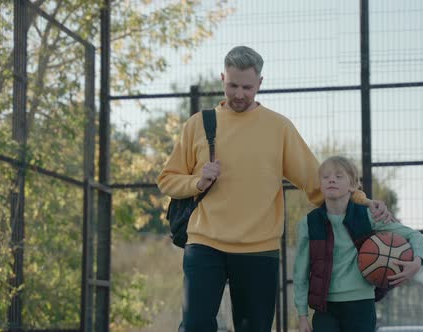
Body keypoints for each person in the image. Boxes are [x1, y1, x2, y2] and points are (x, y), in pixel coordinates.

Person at [157, 45, 394, 332]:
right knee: (195, 327)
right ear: (222, 79)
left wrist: (361, 201)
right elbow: (167, 179)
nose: (240, 94)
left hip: (259, 249)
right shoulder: (199, 124)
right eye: (232, 85)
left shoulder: (279, 128)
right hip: (204, 244)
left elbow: (314, 181)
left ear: (260, 83)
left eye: (247, 87)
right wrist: (198, 181)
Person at [293, 156, 423, 332]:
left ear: (353, 186)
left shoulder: (369, 217)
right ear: (320, 185)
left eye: (339, 176)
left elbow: (413, 235)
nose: (331, 179)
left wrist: (417, 261)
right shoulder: (308, 224)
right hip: (325, 307)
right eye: (326, 177)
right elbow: (300, 273)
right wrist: (302, 316)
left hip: (361, 303)